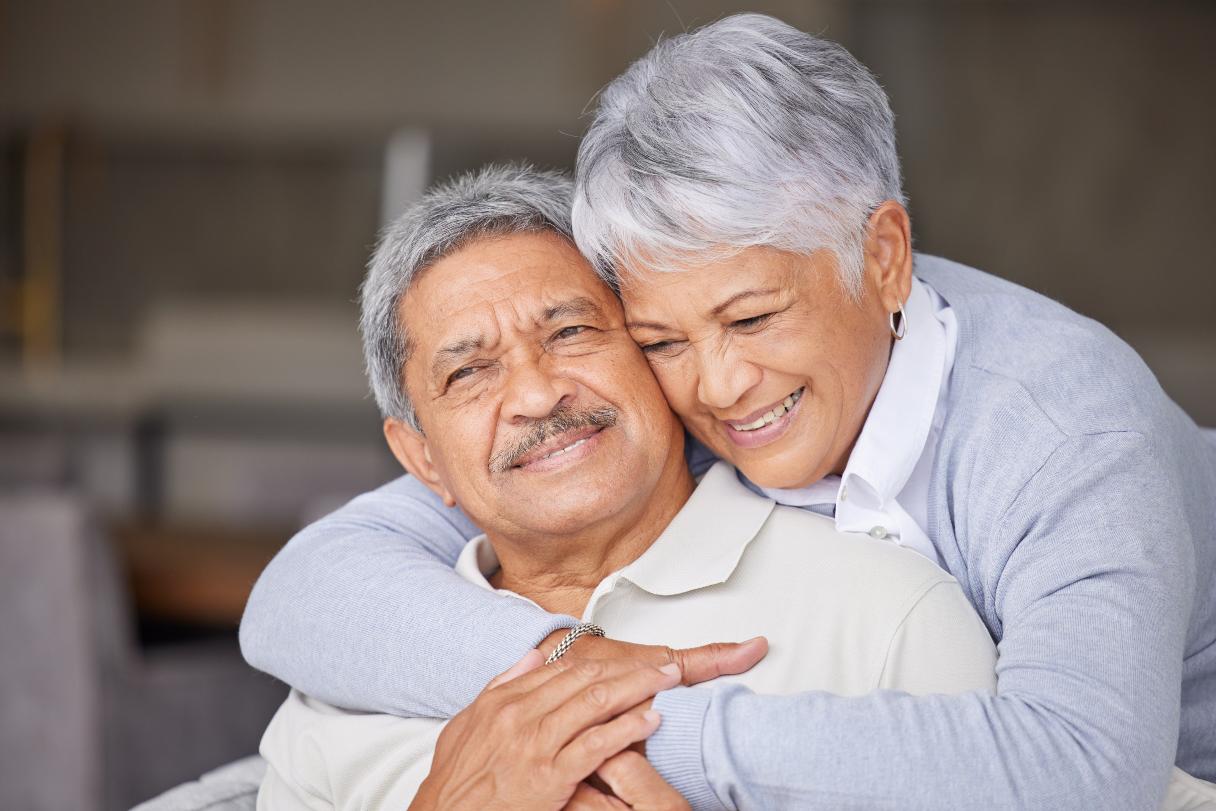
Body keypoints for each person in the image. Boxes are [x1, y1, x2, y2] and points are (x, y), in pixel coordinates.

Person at [241, 14, 1216, 810]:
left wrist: (628, 725)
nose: (716, 385)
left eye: (750, 317)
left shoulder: (1064, 430)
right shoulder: (654, 419)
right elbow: (309, 587)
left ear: (881, 258)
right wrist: (570, 664)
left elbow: (1088, 774)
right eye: (659, 337)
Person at [255, 164, 1001, 810]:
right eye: (469, 371)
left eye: (571, 331)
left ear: (655, 348)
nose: (539, 394)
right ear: (421, 458)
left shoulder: (889, 616)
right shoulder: (339, 690)